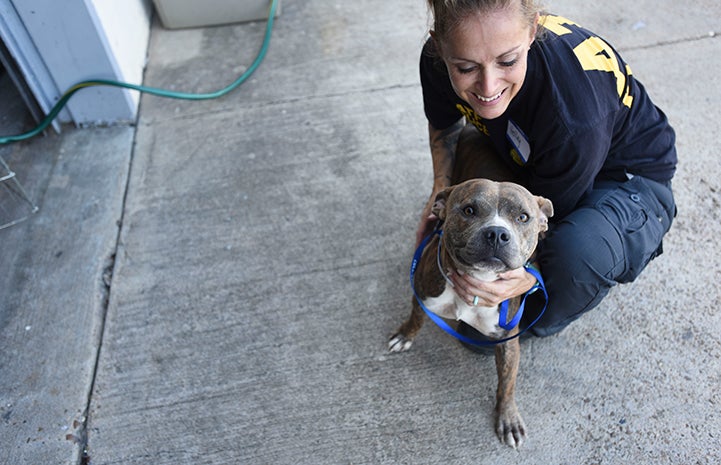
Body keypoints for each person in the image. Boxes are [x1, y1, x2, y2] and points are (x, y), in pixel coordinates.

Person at [416, 0, 677, 340]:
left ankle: (539, 317)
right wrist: (440, 193)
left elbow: (540, 224)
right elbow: (447, 128)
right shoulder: (437, 58)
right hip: (541, 157)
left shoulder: (572, 113)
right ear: (439, 46)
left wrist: (526, 278)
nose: (488, 85)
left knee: (577, 254)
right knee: (472, 148)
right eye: (466, 68)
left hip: (627, 181)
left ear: (533, 32)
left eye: (507, 61)